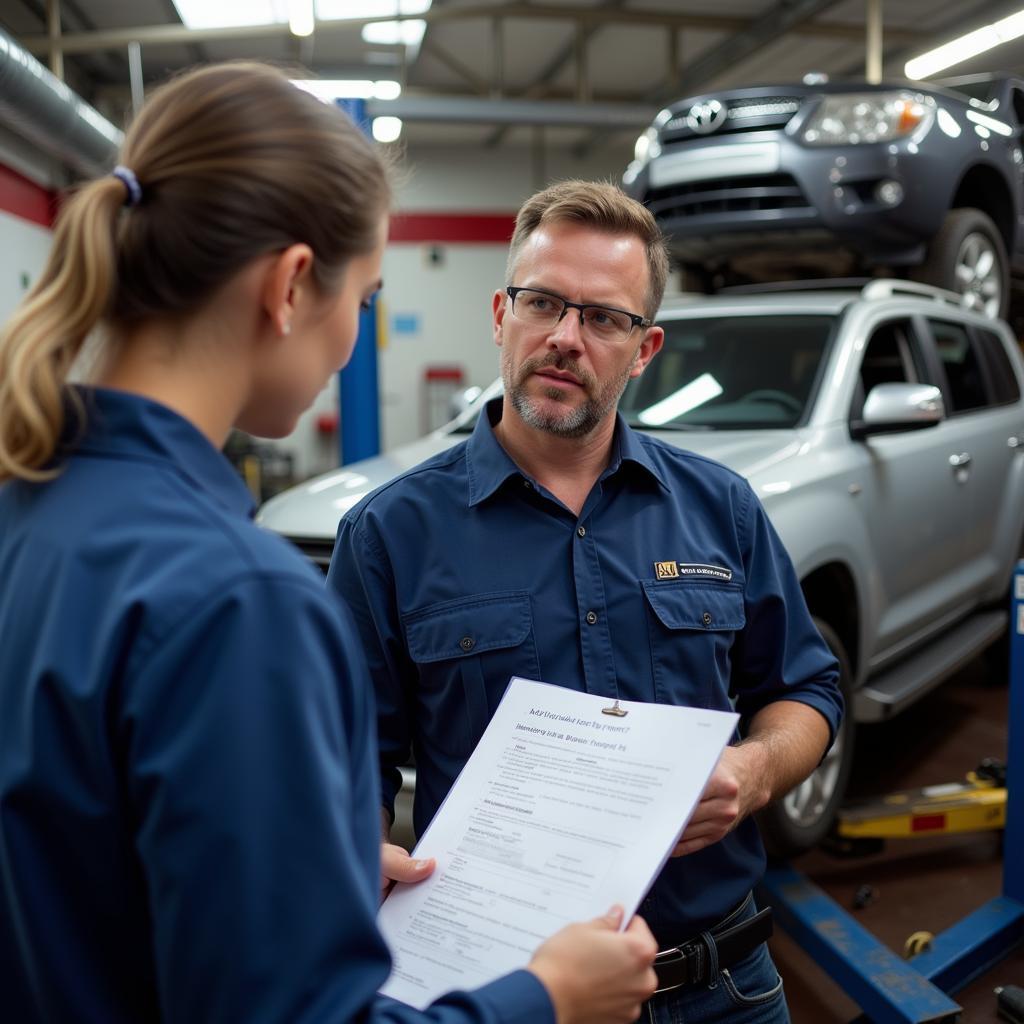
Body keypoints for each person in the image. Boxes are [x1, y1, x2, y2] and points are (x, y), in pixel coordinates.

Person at [0, 69, 658, 1024]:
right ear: (292, 285)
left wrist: (316, 871)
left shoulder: (30, 514)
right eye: (366, 296)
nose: (353, 340)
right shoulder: (235, 598)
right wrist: (546, 998)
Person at [328, 180, 844, 1023]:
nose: (566, 338)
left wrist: (750, 773)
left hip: (726, 987)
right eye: (543, 304)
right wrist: (359, 854)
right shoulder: (389, 535)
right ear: (501, 314)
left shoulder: (723, 509)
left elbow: (808, 692)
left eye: (604, 318)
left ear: (645, 350)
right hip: (512, 994)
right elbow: (352, 760)